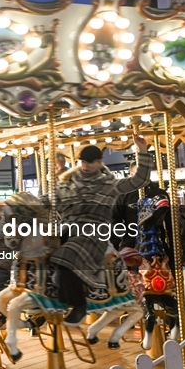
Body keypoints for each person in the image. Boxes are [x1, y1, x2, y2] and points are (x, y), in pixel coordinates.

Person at [51, 137, 153, 325]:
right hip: (67, 230)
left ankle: (79, 304)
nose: (86, 166)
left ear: (100, 163)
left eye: (90, 162)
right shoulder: (68, 182)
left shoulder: (109, 185)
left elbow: (140, 180)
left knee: (66, 258)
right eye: (83, 162)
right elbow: (50, 199)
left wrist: (143, 152)